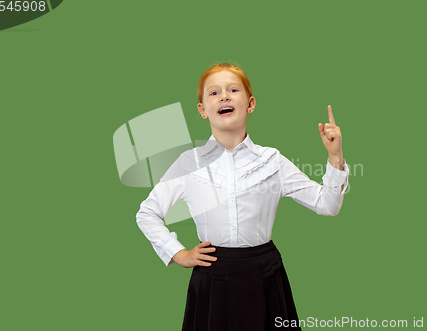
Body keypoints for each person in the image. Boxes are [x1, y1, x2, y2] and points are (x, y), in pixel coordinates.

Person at [136, 63, 350, 331]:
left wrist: (334, 158)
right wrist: (178, 253)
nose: (224, 96)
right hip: (211, 275)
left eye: (233, 90)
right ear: (202, 110)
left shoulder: (273, 160)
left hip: (265, 276)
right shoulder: (188, 163)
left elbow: (327, 205)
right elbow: (147, 212)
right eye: (213, 93)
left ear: (250, 104)